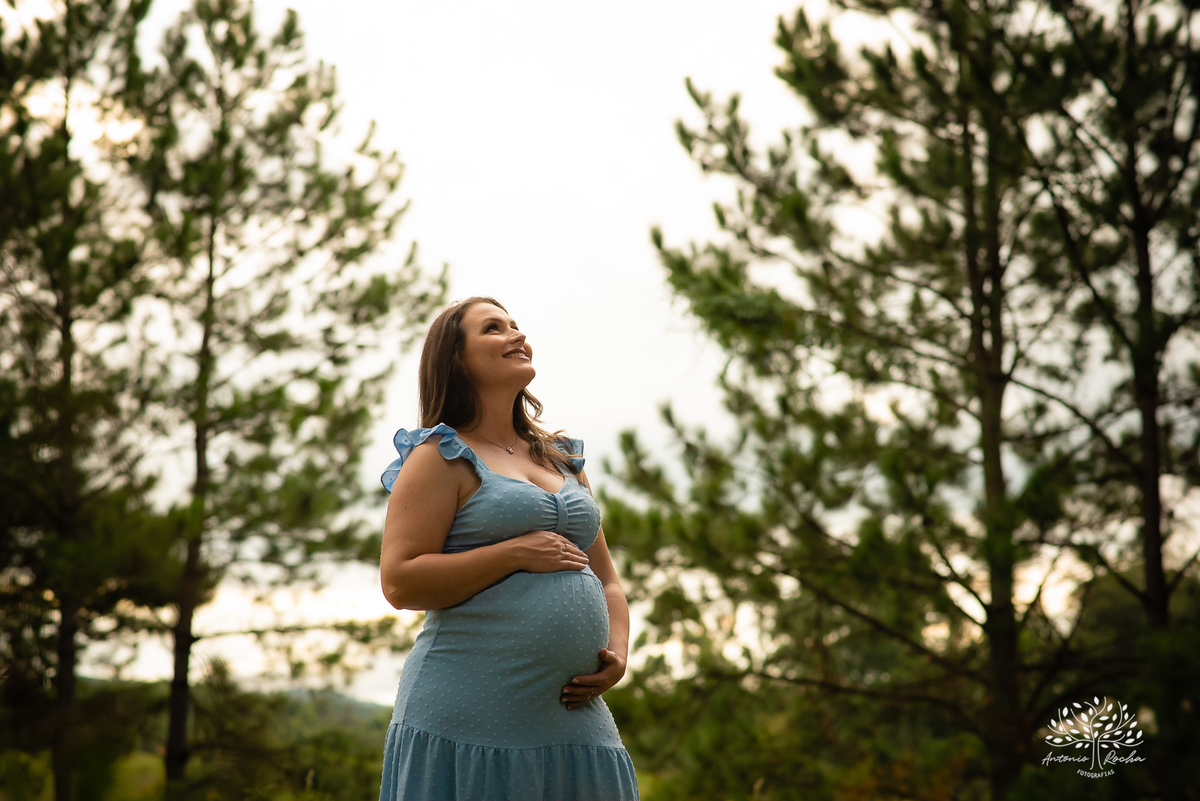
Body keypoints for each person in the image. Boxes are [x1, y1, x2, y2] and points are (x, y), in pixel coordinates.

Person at [377, 297, 640, 801]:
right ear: (456, 359)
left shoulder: (563, 459)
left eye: (517, 325)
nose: (516, 334)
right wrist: (512, 553)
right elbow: (400, 580)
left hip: (573, 718)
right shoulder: (440, 455)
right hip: (470, 712)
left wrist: (619, 653)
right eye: (494, 328)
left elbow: (606, 577)